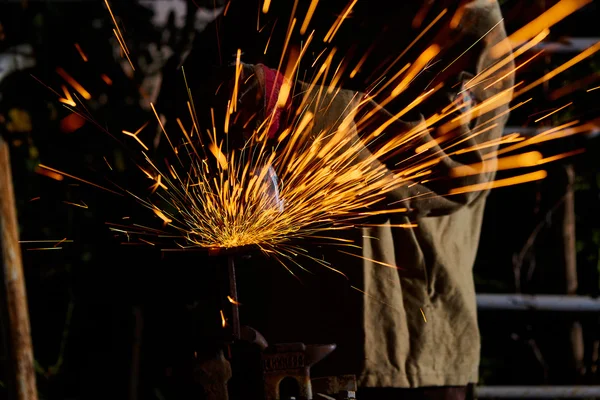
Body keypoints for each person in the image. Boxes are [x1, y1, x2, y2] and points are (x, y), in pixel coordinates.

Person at [155, 1, 514, 399]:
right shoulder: (264, 9)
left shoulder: (461, 13)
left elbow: (454, 174)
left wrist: (296, 110)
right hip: (271, 337)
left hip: (399, 354)